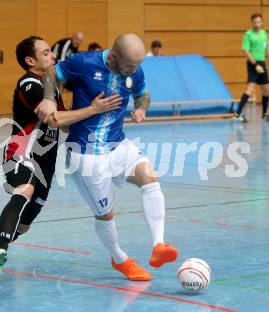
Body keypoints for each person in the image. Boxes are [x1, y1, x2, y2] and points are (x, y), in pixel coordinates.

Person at [0, 36, 122, 277]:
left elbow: (62, 126)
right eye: (46, 53)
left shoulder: (51, 88)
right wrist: (93, 109)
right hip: (21, 151)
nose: (53, 56)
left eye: (52, 52)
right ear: (31, 60)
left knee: (25, 223)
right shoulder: (29, 84)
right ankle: (0, 245)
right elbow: (54, 119)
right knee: (26, 189)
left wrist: (95, 115)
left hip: (46, 160)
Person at [41, 33, 178, 281]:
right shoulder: (84, 62)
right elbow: (51, 73)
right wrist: (50, 100)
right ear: (114, 56)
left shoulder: (134, 70)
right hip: (86, 154)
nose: (134, 71)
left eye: (137, 66)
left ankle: (159, 246)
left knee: (151, 180)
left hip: (118, 144)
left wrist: (140, 108)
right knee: (106, 214)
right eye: (129, 66)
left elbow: (142, 93)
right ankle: (120, 259)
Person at [233, 13, 269, 122]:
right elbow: (246, 51)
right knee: (250, 88)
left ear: (262, 23)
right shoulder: (248, 34)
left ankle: (265, 113)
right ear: (252, 22)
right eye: (255, 22)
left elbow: (268, 49)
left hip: (262, 63)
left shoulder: (264, 34)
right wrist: (255, 65)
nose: (257, 24)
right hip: (253, 63)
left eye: (259, 22)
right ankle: (237, 114)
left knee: (266, 89)